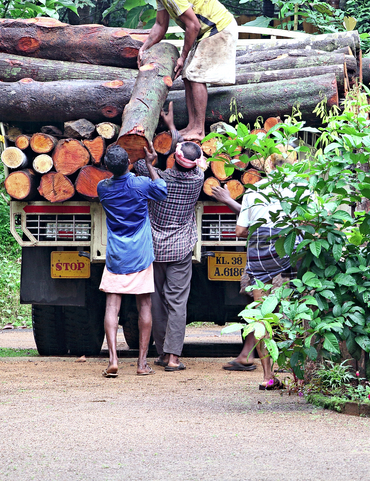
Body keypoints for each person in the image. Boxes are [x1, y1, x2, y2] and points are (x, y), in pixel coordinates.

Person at [211, 154, 297, 390]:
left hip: (259, 263)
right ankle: (294, 376)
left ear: (268, 166)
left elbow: (240, 231)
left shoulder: (253, 191)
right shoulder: (298, 191)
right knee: (287, 316)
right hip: (286, 260)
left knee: (262, 318)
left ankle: (268, 377)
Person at [133, 102, 205, 372]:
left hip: (154, 248)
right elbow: (190, 158)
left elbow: (140, 164)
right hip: (180, 249)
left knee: (156, 302)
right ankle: (173, 356)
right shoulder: (197, 179)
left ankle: (163, 353)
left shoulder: (159, 179)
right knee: (177, 302)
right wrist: (173, 127)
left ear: (174, 158)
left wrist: (152, 156)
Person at [131, 0, 238, 141]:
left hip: (219, 28)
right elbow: (160, 25)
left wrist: (183, 56)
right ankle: (191, 126)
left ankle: (199, 130)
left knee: (195, 75)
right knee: (187, 76)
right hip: (205, 31)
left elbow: (193, 25)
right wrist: (144, 47)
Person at [95, 144, 168, 378]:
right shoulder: (140, 184)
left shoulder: (102, 187)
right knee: (144, 306)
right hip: (140, 253)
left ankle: (113, 360)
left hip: (116, 254)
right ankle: (141, 363)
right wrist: (149, 165)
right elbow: (162, 190)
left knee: (112, 307)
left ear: (107, 167)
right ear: (129, 163)